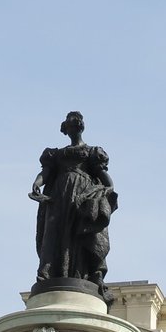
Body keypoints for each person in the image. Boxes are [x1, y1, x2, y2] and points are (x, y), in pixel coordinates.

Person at [30, 111, 118, 301]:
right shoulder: (56, 154)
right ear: (65, 130)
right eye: (69, 127)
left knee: (76, 237)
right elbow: (45, 172)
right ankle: (48, 272)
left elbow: (105, 180)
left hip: (81, 201)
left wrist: (102, 191)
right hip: (58, 198)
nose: (72, 130)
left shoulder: (91, 153)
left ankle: (81, 273)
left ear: (80, 128)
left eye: (75, 126)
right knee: (53, 233)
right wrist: (37, 183)